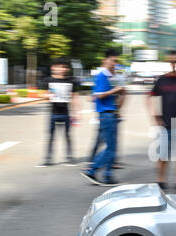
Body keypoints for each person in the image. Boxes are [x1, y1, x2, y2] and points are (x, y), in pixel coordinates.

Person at [146, 50, 176, 191]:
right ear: (168, 61)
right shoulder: (162, 79)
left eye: (175, 60)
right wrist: (155, 116)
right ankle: (161, 181)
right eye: (171, 60)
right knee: (162, 155)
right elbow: (149, 97)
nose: (173, 63)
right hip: (165, 123)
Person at [81, 49, 126, 186]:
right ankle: (92, 169)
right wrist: (115, 90)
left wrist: (119, 105)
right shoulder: (102, 75)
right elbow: (98, 95)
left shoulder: (112, 77)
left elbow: (117, 95)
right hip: (106, 115)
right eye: (112, 60)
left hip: (111, 114)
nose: (114, 63)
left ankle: (107, 175)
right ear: (105, 60)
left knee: (112, 147)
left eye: (116, 61)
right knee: (110, 148)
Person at [37, 57, 80, 167]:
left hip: (66, 113)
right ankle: (48, 159)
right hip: (53, 113)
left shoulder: (71, 80)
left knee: (67, 136)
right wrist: (48, 95)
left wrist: (77, 113)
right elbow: (41, 94)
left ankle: (69, 158)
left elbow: (75, 97)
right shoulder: (48, 80)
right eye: (59, 66)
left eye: (64, 67)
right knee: (51, 137)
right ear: (53, 68)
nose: (62, 69)